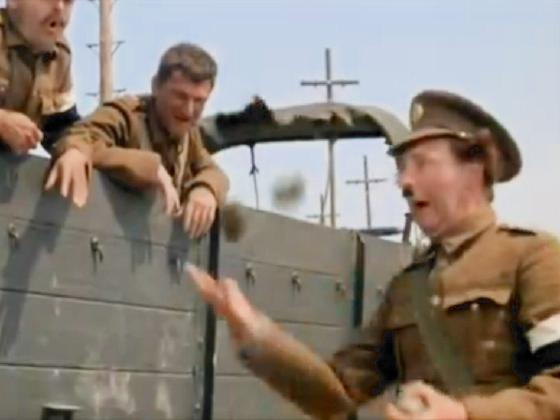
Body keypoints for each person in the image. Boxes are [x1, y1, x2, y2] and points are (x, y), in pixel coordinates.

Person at [187, 90, 560, 419]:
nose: (405, 183)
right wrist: (257, 334)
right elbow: (337, 396)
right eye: (402, 169)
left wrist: (466, 414)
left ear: (474, 170)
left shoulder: (533, 259)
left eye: (422, 163)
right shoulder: (408, 286)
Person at [46, 43, 229, 239]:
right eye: (180, 96)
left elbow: (212, 170)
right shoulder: (126, 116)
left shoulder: (188, 136)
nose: (189, 110)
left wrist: (205, 189)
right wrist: (150, 167)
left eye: (199, 101)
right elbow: (77, 140)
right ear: (156, 86)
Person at [0, 0, 78, 154]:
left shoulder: (60, 54)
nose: (59, 7)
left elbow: (61, 126)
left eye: (68, 0)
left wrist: (75, 149)